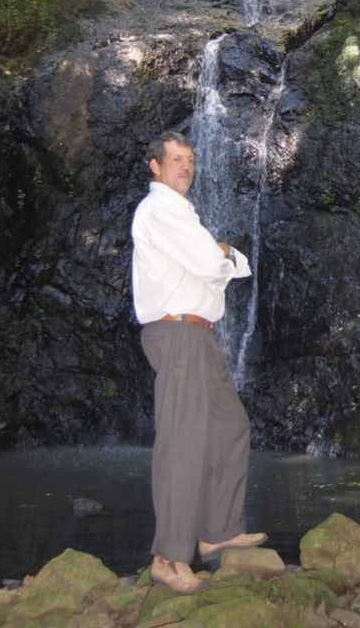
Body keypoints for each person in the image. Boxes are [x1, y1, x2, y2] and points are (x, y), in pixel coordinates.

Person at [131, 130, 266, 595]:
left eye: (190, 160)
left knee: (230, 426)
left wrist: (219, 259)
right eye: (176, 160)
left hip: (199, 334)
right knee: (182, 443)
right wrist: (224, 253)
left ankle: (217, 531)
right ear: (156, 166)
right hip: (177, 334)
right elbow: (213, 266)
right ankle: (168, 557)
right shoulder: (159, 210)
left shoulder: (182, 214)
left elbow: (212, 268)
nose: (186, 167)